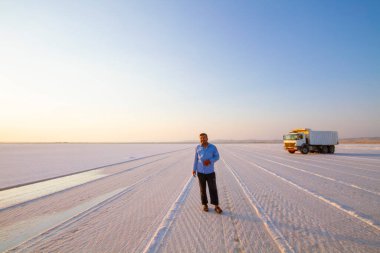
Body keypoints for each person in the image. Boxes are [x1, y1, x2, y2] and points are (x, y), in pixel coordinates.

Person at [193, 133, 223, 214]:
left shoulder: (213, 147)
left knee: (213, 189)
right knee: (202, 189)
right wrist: (194, 169)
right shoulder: (197, 147)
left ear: (207, 138)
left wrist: (210, 161)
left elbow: (217, 157)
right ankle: (205, 204)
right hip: (200, 172)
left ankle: (216, 206)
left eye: (204, 138)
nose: (202, 140)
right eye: (201, 138)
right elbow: (196, 159)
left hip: (210, 172)